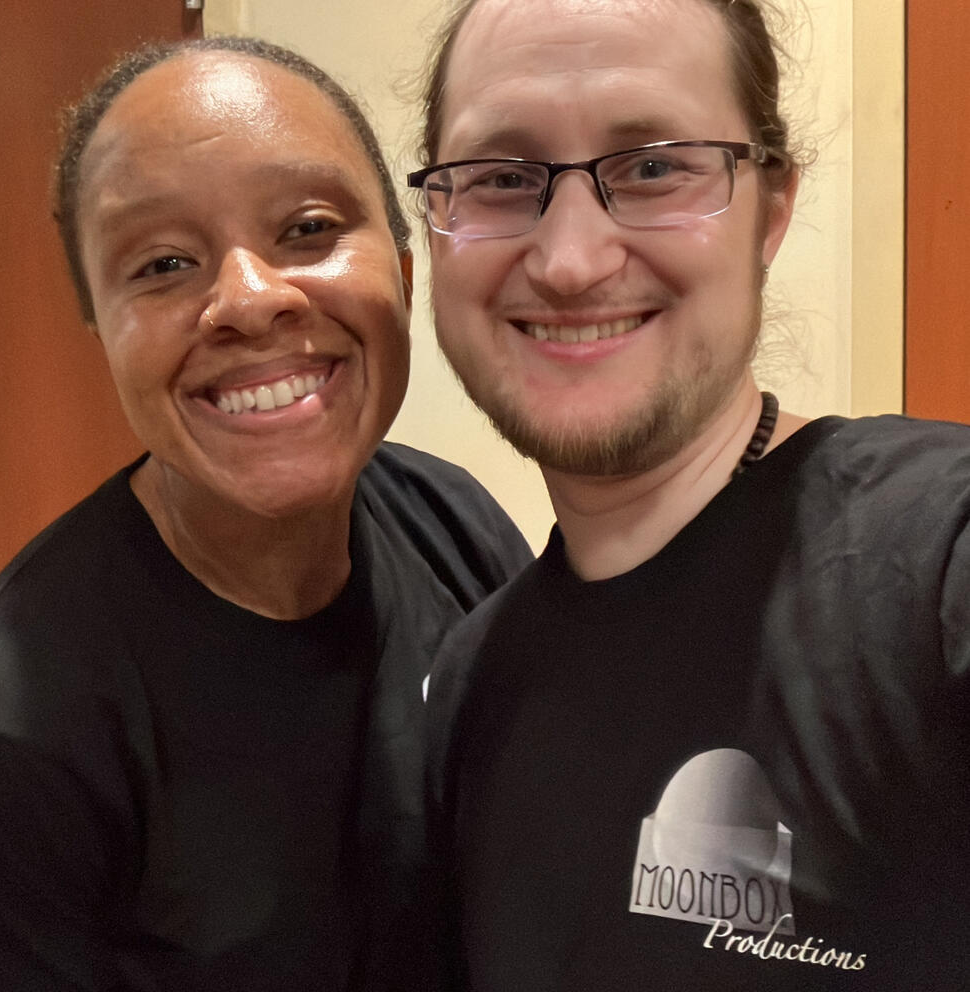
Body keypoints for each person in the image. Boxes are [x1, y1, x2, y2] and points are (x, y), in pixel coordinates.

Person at [0, 36, 531, 992]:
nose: (249, 300)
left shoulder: (452, 524)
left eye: (307, 228)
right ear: (101, 327)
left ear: (407, 272)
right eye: (164, 262)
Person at [410, 0, 970, 988]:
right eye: (500, 177)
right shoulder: (471, 684)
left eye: (654, 167)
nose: (570, 260)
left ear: (772, 207)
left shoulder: (936, 561)